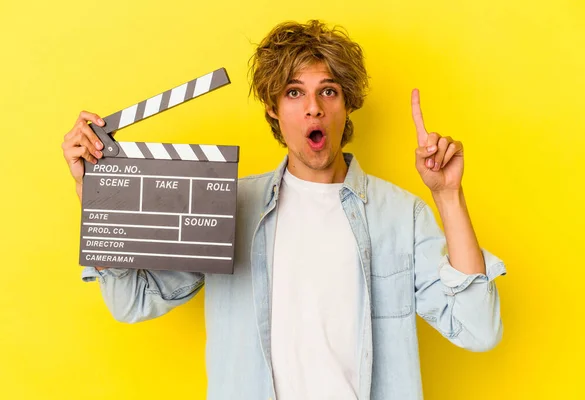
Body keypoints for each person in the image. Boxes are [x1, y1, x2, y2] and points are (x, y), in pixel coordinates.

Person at [62, 20, 506, 400]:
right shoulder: (228, 206)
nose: (313, 107)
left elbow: (478, 328)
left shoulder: (400, 215)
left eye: (328, 91)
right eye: (295, 93)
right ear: (274, 110)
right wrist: (99, 194)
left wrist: (449, 196)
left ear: (346, 104)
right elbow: (131, 301)